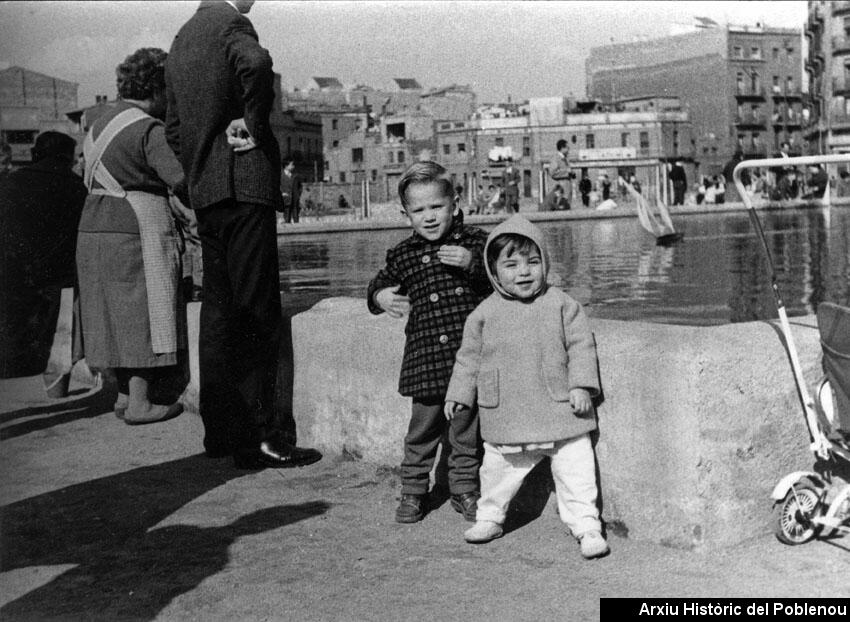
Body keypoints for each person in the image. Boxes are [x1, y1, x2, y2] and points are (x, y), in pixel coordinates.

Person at [165, 0, 321, 469]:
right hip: (244, 183)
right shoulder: (232, 22)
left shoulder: (182, 38)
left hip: (207, 192)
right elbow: (256, 63)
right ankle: (264, 438)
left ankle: (222, 433)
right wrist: (252, 124)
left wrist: (200, 158)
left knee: (218, 311)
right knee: (256, 308)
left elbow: (174, 127)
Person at [444, 215, 608, 559]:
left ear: (545, 263)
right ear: (492, 269)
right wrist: (459, 394)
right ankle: (490, 517)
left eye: (533, 262)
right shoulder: (483, 313)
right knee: (496, 472)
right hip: (508, 412)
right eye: (511, 264)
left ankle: (587, 525)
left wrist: (581, 386)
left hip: (560, 410)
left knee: (576, 471)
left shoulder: (563, 304)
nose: (524, 272)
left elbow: (581, 346)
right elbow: (468, 358)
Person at [367, 161, 492, 524]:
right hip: (425, 361)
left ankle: (465, 490)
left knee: (466, 435)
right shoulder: (404, 254)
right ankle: (413, 491)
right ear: (405, 214)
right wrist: (380, 298)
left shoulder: (476, 242)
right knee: (421, 434)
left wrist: (473, 264)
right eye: (419, 210)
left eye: (437, 207)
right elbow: (376, 285)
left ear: (455, 203)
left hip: (466, 362)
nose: (430, 217)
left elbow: (500, 282)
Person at [76, 48, 185, 424]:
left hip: (92, 225)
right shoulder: (147, 128)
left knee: (110, 311)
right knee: (143, 309)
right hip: (134, 224)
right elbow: (180, 180)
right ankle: (140, 404)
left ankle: (122, 395)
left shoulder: (97, 124)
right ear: (157, 88)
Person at [0, 131, 87, 388]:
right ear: (68, 158)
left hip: (12, 274)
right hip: (58, 278)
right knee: (53, 341)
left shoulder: (11, 183)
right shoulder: (76, 187)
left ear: (35, 154)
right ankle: (55, 385)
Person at [550, 139, 572, 204]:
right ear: (562, 148)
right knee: (561, 207)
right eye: (567, 148)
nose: (568, 150)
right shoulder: (556, 158)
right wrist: (567, 172)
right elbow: (552, 173)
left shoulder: (565, 159)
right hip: (561, 190)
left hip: (567, 190)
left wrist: (571, 173)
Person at [280, 159, 302, 223]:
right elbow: (277, 186)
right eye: (292, 165)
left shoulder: (295, 176)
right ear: (286, 166)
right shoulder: (280, 176)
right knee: (287, 216)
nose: (293, 166)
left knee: (296, 217)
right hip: (285, 200)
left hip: (295, 200)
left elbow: (300, 186)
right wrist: (281, 193)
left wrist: (298, 194)